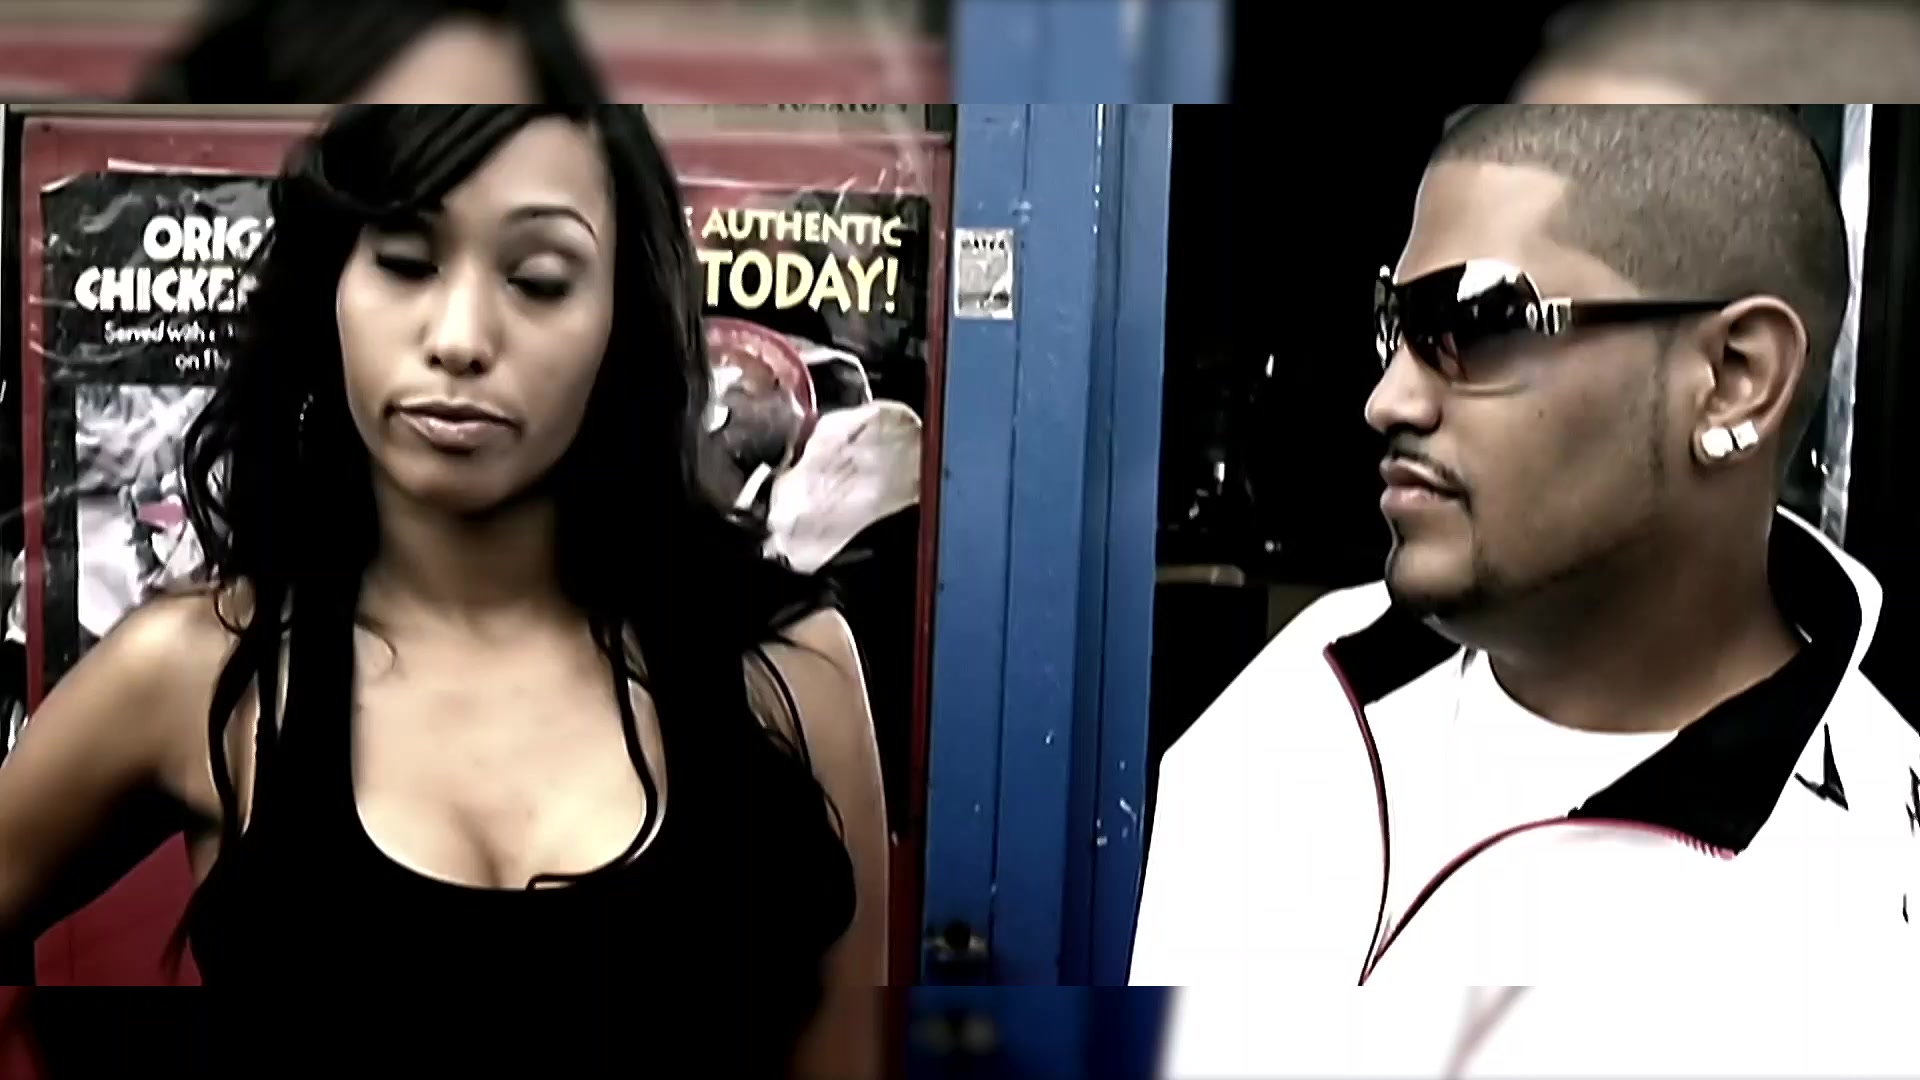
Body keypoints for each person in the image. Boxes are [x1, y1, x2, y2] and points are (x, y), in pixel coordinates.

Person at [0, 100, 889, 1075]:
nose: (461, 337)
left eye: (537, 279)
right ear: (332, 289)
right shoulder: (203, 671)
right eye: (406, 261)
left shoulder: (789, 670)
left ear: (621, 319)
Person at [1134, 106, 1920, 1071]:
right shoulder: (1301, 689)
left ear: (1732, 377)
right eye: (1396, 323)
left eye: (1479, 322)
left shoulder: (1866, 928)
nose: (1388, 398)